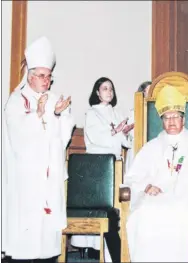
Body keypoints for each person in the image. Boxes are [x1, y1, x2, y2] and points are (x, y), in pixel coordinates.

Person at [124, 85, 188, 262]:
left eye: (176, 116)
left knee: (183, 214)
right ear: (162, 121)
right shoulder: (151, 146)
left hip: (186, 196)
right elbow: (133, 177)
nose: (172, 121)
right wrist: (146, 186)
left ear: (184, 120)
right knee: (145, 213)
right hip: (155, 197)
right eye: (167, 117)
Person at [3, 36, 74, 262]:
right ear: (30, 76)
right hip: (26, 179)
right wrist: (39, 115)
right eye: (42, 76)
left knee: (46, 242)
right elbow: (18, 136)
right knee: (27, 238)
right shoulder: (17, 100)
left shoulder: (53, 98)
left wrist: (59, 114)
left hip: (48, 177)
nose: (47, 81)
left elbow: (61, 137)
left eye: (49, 76)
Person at [71, 77, 133, 261]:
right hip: (98, 165)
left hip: (115, 163)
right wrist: (115, 132)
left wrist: (126, 132)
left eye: (111, 89)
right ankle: (93, 249)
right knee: (100, 206)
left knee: (114, 207)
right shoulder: (92, 113)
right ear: (97, 92)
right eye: (105, 88)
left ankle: (113, 249)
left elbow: (123, 142)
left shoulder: (115, 112)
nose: (109, 91)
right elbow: (95, 138)